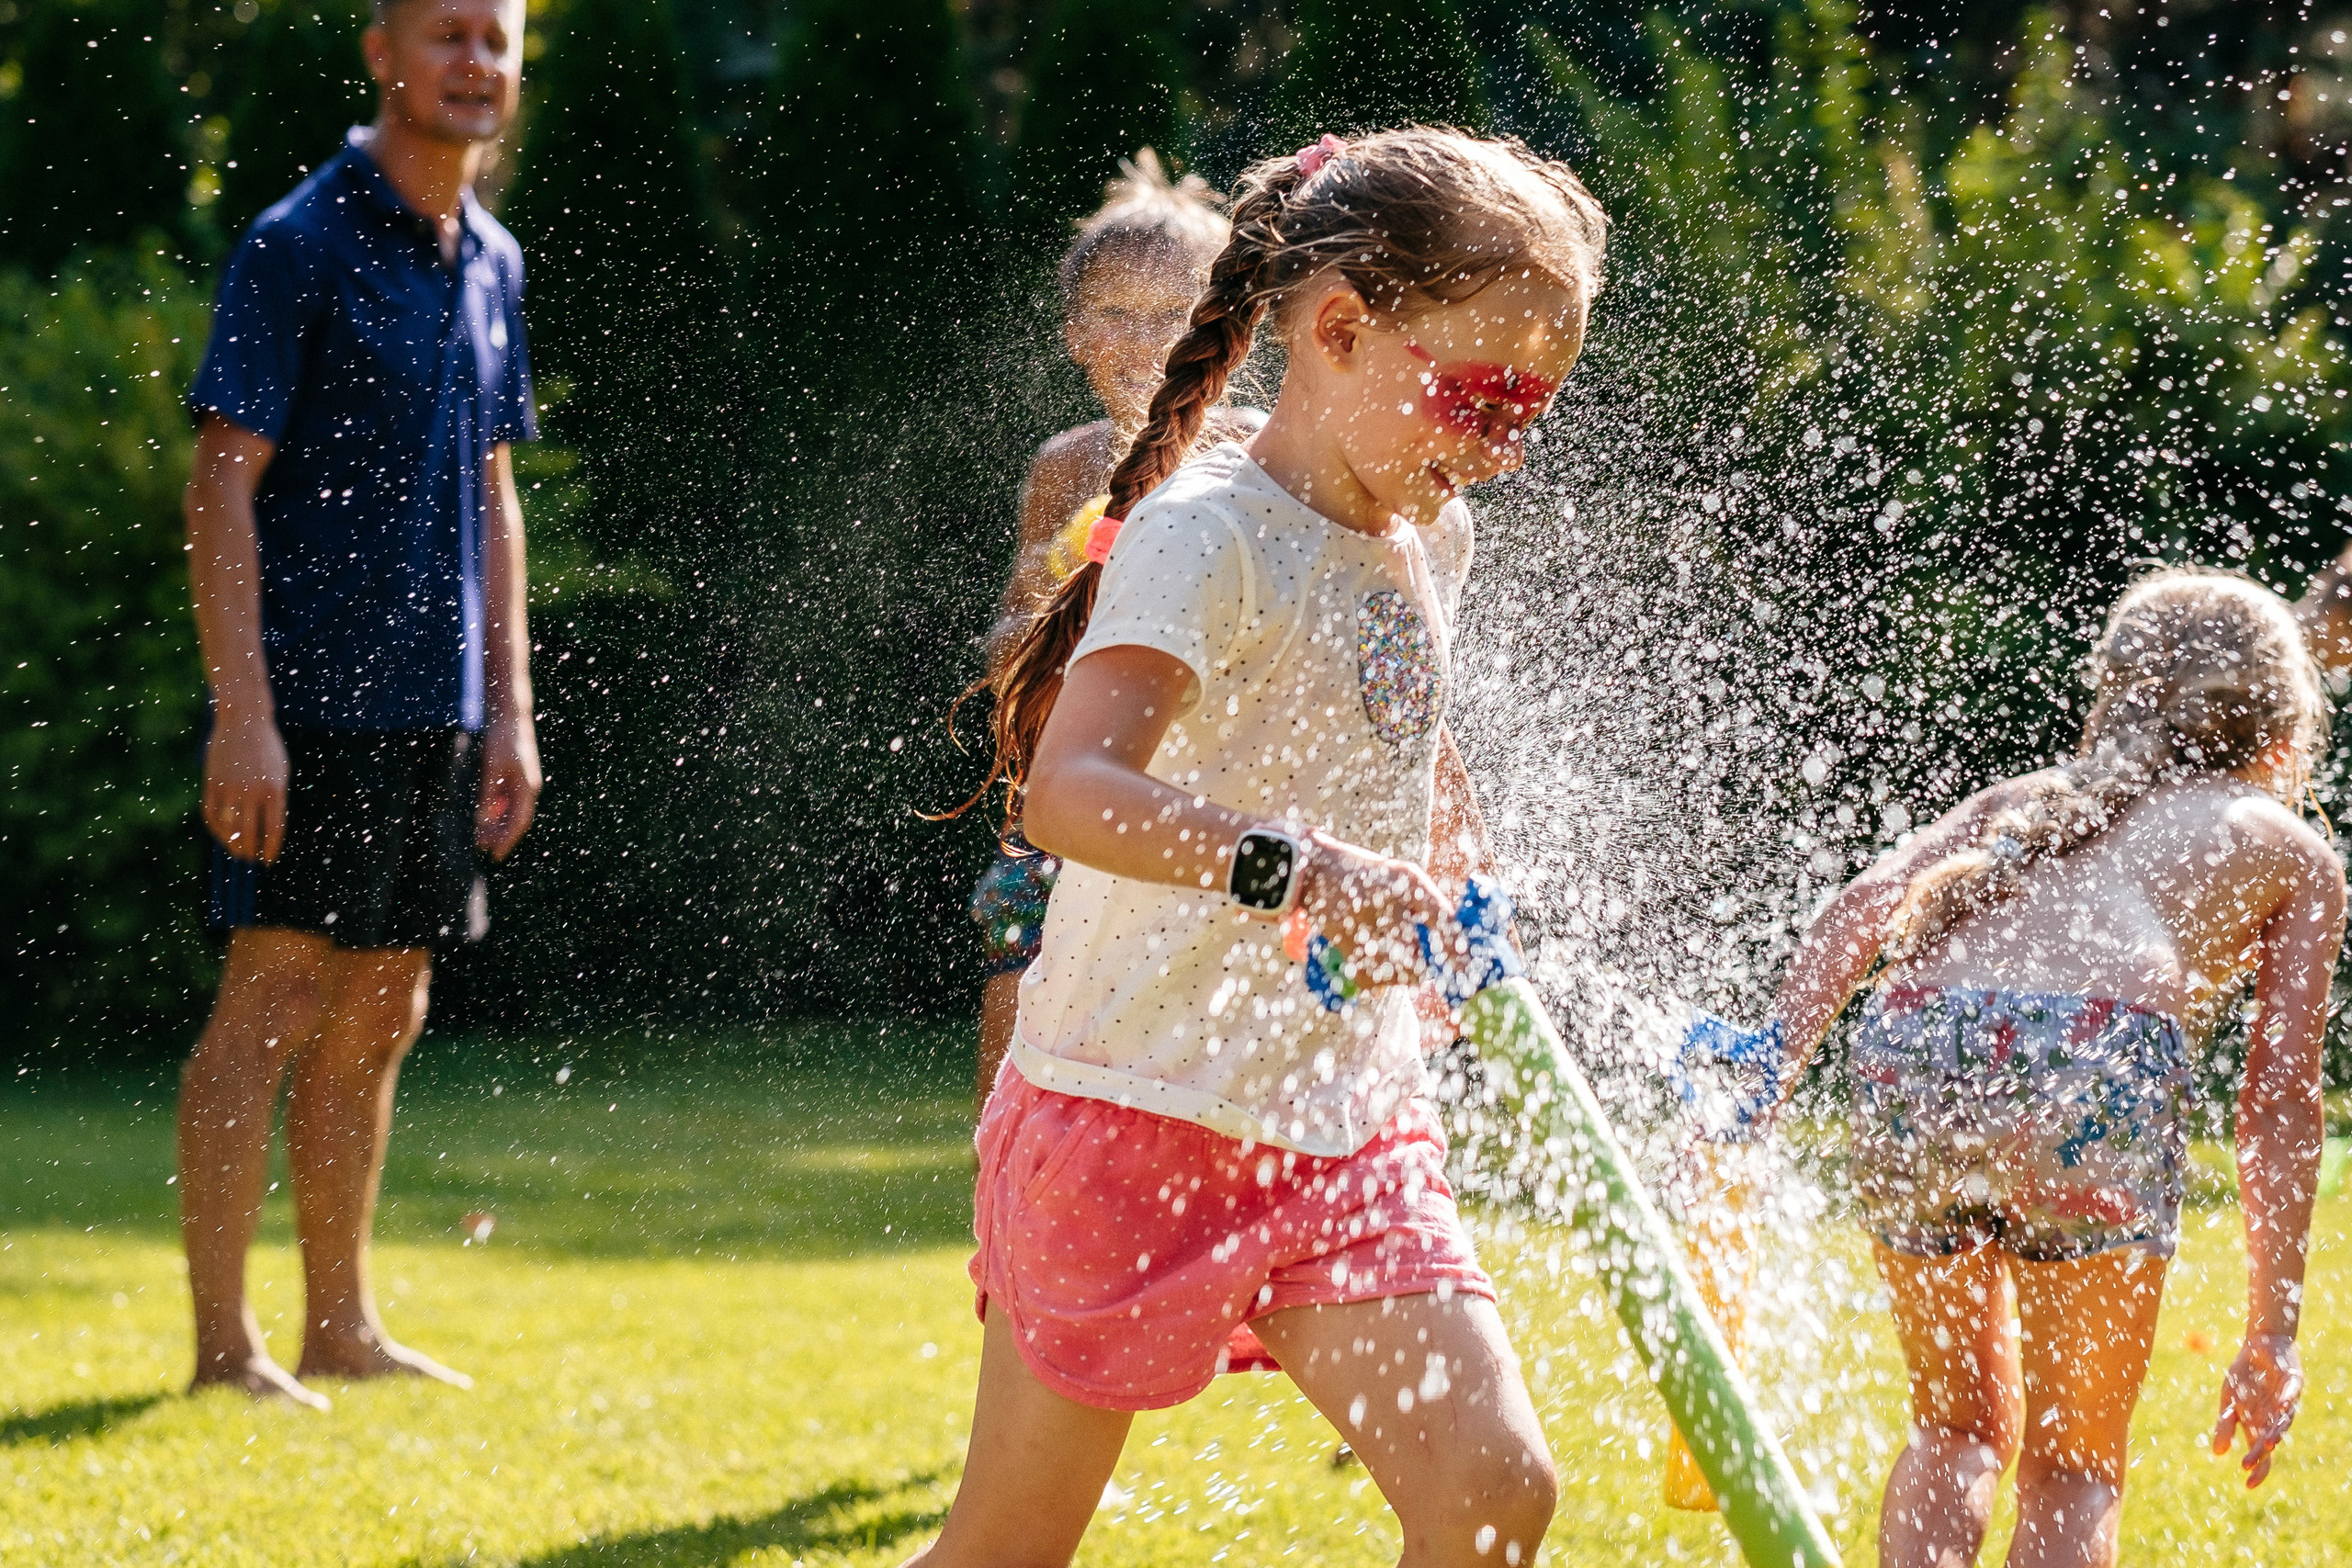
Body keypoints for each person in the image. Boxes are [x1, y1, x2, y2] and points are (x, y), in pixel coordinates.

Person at [911, 128, 1609, 1568]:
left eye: (1533, 411)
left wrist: (1450, 870)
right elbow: (1071, 787)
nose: (1501, 445)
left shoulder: (1434, 538)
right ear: (1341, 329)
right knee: (1007, 1546)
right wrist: (1292, 866)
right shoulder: (1206, 535)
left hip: (1344, 1119)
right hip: (1132, 1108)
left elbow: (1399, 740)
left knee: (1492, 1493)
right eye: (1481, 394)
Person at [1684, 568, 2341, 1567]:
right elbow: (2279, 1103)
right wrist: (2273, 1332)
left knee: (1953, 1429)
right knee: (2074, 1465)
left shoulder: (2032, 801)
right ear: (2284, 727)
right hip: (2093, 1063)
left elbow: (1865, 903)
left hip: (1916, 1049)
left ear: (2114, 696)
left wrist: (1775, 1059)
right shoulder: (2287, 848)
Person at [177, 0, 537, 1406]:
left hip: (437, 707)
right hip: (305, 700)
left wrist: (509, 707)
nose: (476, 64)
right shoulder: (298, 243)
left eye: (498, 41)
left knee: (385, 1005)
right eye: (447, 36)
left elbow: (494, 492)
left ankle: (341, 1324)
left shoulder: (494, 257)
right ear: (383, 52)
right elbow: (222, 479)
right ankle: (227, 1348)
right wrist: (243, 713)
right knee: (264, 1003)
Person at [968, 151, 1254, 1103]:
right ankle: (1005, 1208)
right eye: (1116, 315)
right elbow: (1008, 651)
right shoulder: (1066, 469)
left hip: (1205, 800)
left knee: (1192, 1056)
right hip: (1065, 806)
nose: (1144, 341)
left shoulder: (1253, 461)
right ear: (1075, 334)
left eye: (1173, 315)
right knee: (1018, 1003)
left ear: (1230, 330)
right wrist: (1053, 592)